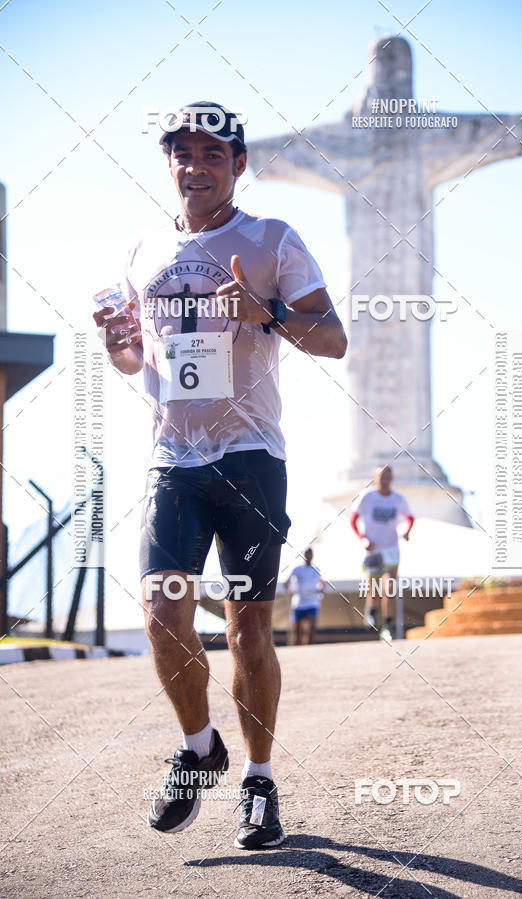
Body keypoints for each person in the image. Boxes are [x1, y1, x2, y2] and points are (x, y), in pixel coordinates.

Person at [93, 101, 347, 849]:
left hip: (251, 460)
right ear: (169, 164)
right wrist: (118, 348)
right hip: (173, 460)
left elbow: (332, 338)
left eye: (212, 154)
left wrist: (264, 310)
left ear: (238, 165)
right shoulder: (142, 248)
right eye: (182, 154)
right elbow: (139, 359)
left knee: (246, 633)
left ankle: (260, 781)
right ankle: (199, 746)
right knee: (161, 616)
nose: (195, 167)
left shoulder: (272, 240)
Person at [350, 465, 414, 643]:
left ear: (392, 479)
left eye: (388, 477)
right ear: (375, 479)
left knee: (390, 586)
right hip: (373, 549)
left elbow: (410, 518)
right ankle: (371, 609)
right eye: (381, 477)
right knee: (375, 588)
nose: (385, 480)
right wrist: (362, 538)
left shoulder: (398, 499)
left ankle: (387, 626)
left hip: (391, 548)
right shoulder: (367, 497)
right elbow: (353, 519)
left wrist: (407, 531)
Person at [285, 547, 324, 645]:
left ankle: (308, 652)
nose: (308, 556)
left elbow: (321, 583)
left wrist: (321, 589)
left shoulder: (317, 569)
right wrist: (290, 590)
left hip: (312, 603)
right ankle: (297, 653)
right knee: (297, 632)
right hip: (298, 603)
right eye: (307, 554)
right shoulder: (297, 569)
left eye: (310, 554)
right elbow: (287, 582)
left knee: (311, 629)